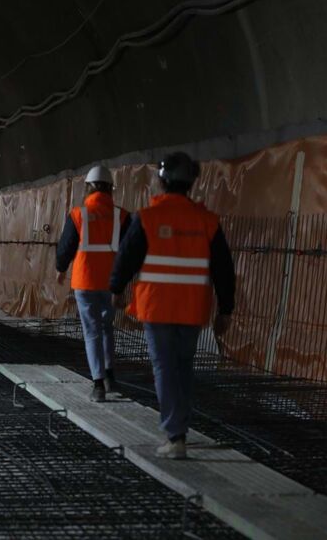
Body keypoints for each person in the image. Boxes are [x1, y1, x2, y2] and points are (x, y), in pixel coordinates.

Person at [110, 152, 235, 459]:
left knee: (164, 367)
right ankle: (180, 427)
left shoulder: (148, 217)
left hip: (157, 308)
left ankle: (175, 434)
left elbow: (126, 258)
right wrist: (226, 309)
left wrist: (115, 290)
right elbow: (224, 269)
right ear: (191, 183)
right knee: (183, 367)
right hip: (192, 308)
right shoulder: (207, 221)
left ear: (162, 181)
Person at [56, 166, 131, 402]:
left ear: (88, 187)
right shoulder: (122, 216)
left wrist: (60, 269)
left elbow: (66, 248)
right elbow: (130, 251)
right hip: (111, 282)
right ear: (110, 189)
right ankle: (110, 376)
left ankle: (97, 385)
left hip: (85, 281)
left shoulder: (78, 214)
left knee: (91, 332)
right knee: (107, 327)